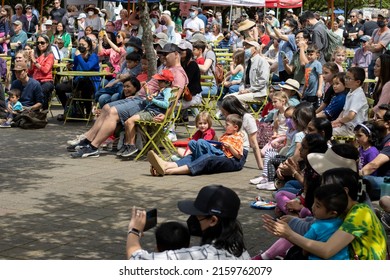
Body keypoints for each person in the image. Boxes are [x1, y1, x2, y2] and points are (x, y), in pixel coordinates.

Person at [66, 43, 188, 158]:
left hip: (147, 105)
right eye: (161, 54)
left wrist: (166, 116)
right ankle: (88, 139)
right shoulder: (168, 68)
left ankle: (94, 146)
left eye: (166, 54)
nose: (162, 57)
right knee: (106, 107)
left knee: (113, 112)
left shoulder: (178, 74)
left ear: (176, 54)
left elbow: (174, 98)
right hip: (139, 99)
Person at [263, 167, 387, 260]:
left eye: (326, 186)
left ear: (344, 191)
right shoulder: (342, 210)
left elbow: (327, 250)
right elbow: (315, 226)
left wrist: (289, 234)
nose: (321, 190)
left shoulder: (360, 213)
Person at [147, 95, 263, 176]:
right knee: (199, 153)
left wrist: (260, 166)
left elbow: (253, 143)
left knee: (207, 158)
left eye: (225, 112)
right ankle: (166, 165)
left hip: (236, 157)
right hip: (224, 151)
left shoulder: (246, 118)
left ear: (232, 109)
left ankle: (168, 171)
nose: (223, 115)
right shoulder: (231, 120)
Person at [127, 185, 250, 260]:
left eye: (197, 215)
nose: (192, 219)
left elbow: (137, 260)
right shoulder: (238, 248)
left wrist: (134, 231)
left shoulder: (205, 255)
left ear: (213, 220)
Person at [117, 69, 175, 158]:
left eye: (160, 81)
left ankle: (131, 146)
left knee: (129, 122)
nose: (158, 82)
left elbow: (166, 105)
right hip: (149, 111)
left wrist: (154, 100)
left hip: (153, 113)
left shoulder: (167, 91)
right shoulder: (161, 90)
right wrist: (148, 92)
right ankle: (127, 144)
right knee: (127, 122)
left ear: (167, 82)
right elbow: (149, 103)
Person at [300, 183, 350, 260]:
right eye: (314, 202)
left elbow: (305, 249)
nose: (313, 207)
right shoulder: (343, 222)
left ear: (332, 213)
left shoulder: (316, 228)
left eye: (318, 206)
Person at [55, 36, 100, 119]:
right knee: (59, 87)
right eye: (80, 44)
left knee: (84, 83)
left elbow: (86, 68)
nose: (81, 46)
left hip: (90, 82)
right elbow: (76, 70)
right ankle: (68, 109)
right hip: (77, 81)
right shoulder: (77, 56)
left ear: (89, 46)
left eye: (83, 44)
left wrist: (79, 56)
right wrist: (70, 68)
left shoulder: (93, 56)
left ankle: (88, 111)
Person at [360, 104, 390, 191]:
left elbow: (374, 165)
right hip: (377, 176)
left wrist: (355, 174)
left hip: (386, 181)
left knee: (363, 182)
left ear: (387, 124)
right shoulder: (378, 137)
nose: (373, 119)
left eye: (377, 117)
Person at [332, 67, 368, 137]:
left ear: (357, 82)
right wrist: (338, 120)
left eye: (348, 78)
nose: (345, 80)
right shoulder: (351, 92)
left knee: (327, 131)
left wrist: (339, 121)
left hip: (354, 129)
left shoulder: (357, 95)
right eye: (345, 78)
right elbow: (344, 110)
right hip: (346, 125)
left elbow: (351, 116)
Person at [265, 17, 298, 82]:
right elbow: (270, 34)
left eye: (287, 25)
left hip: (288, 67)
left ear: (292, 27)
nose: (285, 26)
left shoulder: (292, 37)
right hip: (281, 67)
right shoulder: (282, 38)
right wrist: (266, 24)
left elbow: (280, 36)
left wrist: (272, 25)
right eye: (284, 24)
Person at [27, 35, 54, 110]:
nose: (40, 45)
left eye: (42, 43)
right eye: (38, 43)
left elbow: (45, 70)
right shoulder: (35, 55)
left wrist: (34, 61)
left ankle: (43, 111)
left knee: (41, 90)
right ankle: (32, 110)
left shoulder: (50, 55)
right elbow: (30, 72)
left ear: (47, 43)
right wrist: (30, 61)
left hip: (46, 81)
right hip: (36, 80)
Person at [367, 13, 390, 79]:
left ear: (387, 20)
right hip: (372, 60)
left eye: (382, 19)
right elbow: (367, 45)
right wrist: (372, 46)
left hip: (382, 63)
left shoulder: (388, 33)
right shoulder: (375, 31)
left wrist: (372, 46)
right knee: (370, 81)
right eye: (378, 18)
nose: (379, 20)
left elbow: (378, 48)